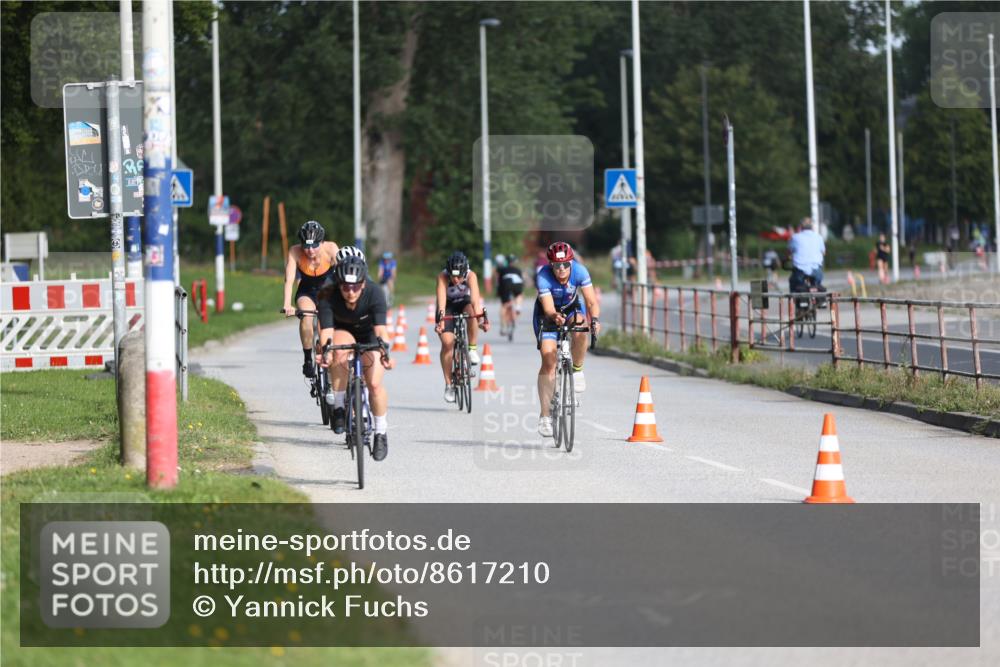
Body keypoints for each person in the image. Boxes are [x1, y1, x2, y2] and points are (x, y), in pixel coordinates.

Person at [317, 256, 394, 461]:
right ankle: (339, 406)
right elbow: (326, 332)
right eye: (345, 287)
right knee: (338, 352)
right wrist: (326, 352)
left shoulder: (375, 292)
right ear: (338, 284)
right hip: (342, 331)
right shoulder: (327, 294)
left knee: (374, 384)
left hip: (369, 333)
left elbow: (381, 330)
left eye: (355, 287)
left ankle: (380, 433)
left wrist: (385, 353)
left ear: (363, 284)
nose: (350, 292)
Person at [533, 242, 601, 438]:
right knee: (548, 360)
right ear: (551, 265)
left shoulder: (580, 271)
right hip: (547, 314)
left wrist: (595, 320)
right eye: (556, 265)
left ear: (571, 263)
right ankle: (545, 416)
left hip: (571, 308)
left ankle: (577, 370)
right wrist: (554, 317)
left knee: (581, 327)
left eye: (565, 265)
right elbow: (548, 309)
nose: (561, 269)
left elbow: (591, 302)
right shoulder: (543, 276)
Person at [282, 221, 339, 378]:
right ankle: (308, 359)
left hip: (328, 292)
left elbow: (343, 270)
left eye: (315, 245)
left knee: (324, 329)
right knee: (306, 317)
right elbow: (289, 279)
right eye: (306, 246)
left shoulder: (331, 248)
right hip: (307, 292)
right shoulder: (295, 251)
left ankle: (328, 357)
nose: (310, 250)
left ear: (322, 242)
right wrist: (287, 304)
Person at [434, 251, 490, 403]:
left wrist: (481, 320)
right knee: (447, 343)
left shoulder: (471, 276)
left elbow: (476, 302)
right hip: (447, 306)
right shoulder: (442, 277)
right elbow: (441, 303)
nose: (456, 279)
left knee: (472, 312)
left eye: (459, 276)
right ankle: (449, 385)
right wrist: (441, 321)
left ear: (465, 272)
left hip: (464, 303)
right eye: (453, 276)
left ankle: (472, 349)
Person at [788, 217, 825, 294]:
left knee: (793, 282)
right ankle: (818, 297)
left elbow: (789, 251)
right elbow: (823, 252)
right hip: (816, 270)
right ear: (812, 227)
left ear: (801, 226)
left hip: (800, 270)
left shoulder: (795, 237)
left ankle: (793, 298)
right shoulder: (819, 237)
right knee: (818, 284)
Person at [495, 254, 525, 331]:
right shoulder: (518, 270)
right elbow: (522, 282)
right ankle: (518, 307)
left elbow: (499, 283)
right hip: (517, 285)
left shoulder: (502, 270)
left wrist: (498, 292)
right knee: (519, 295)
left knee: (504, 305)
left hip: (506, 284)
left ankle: (503, 326)